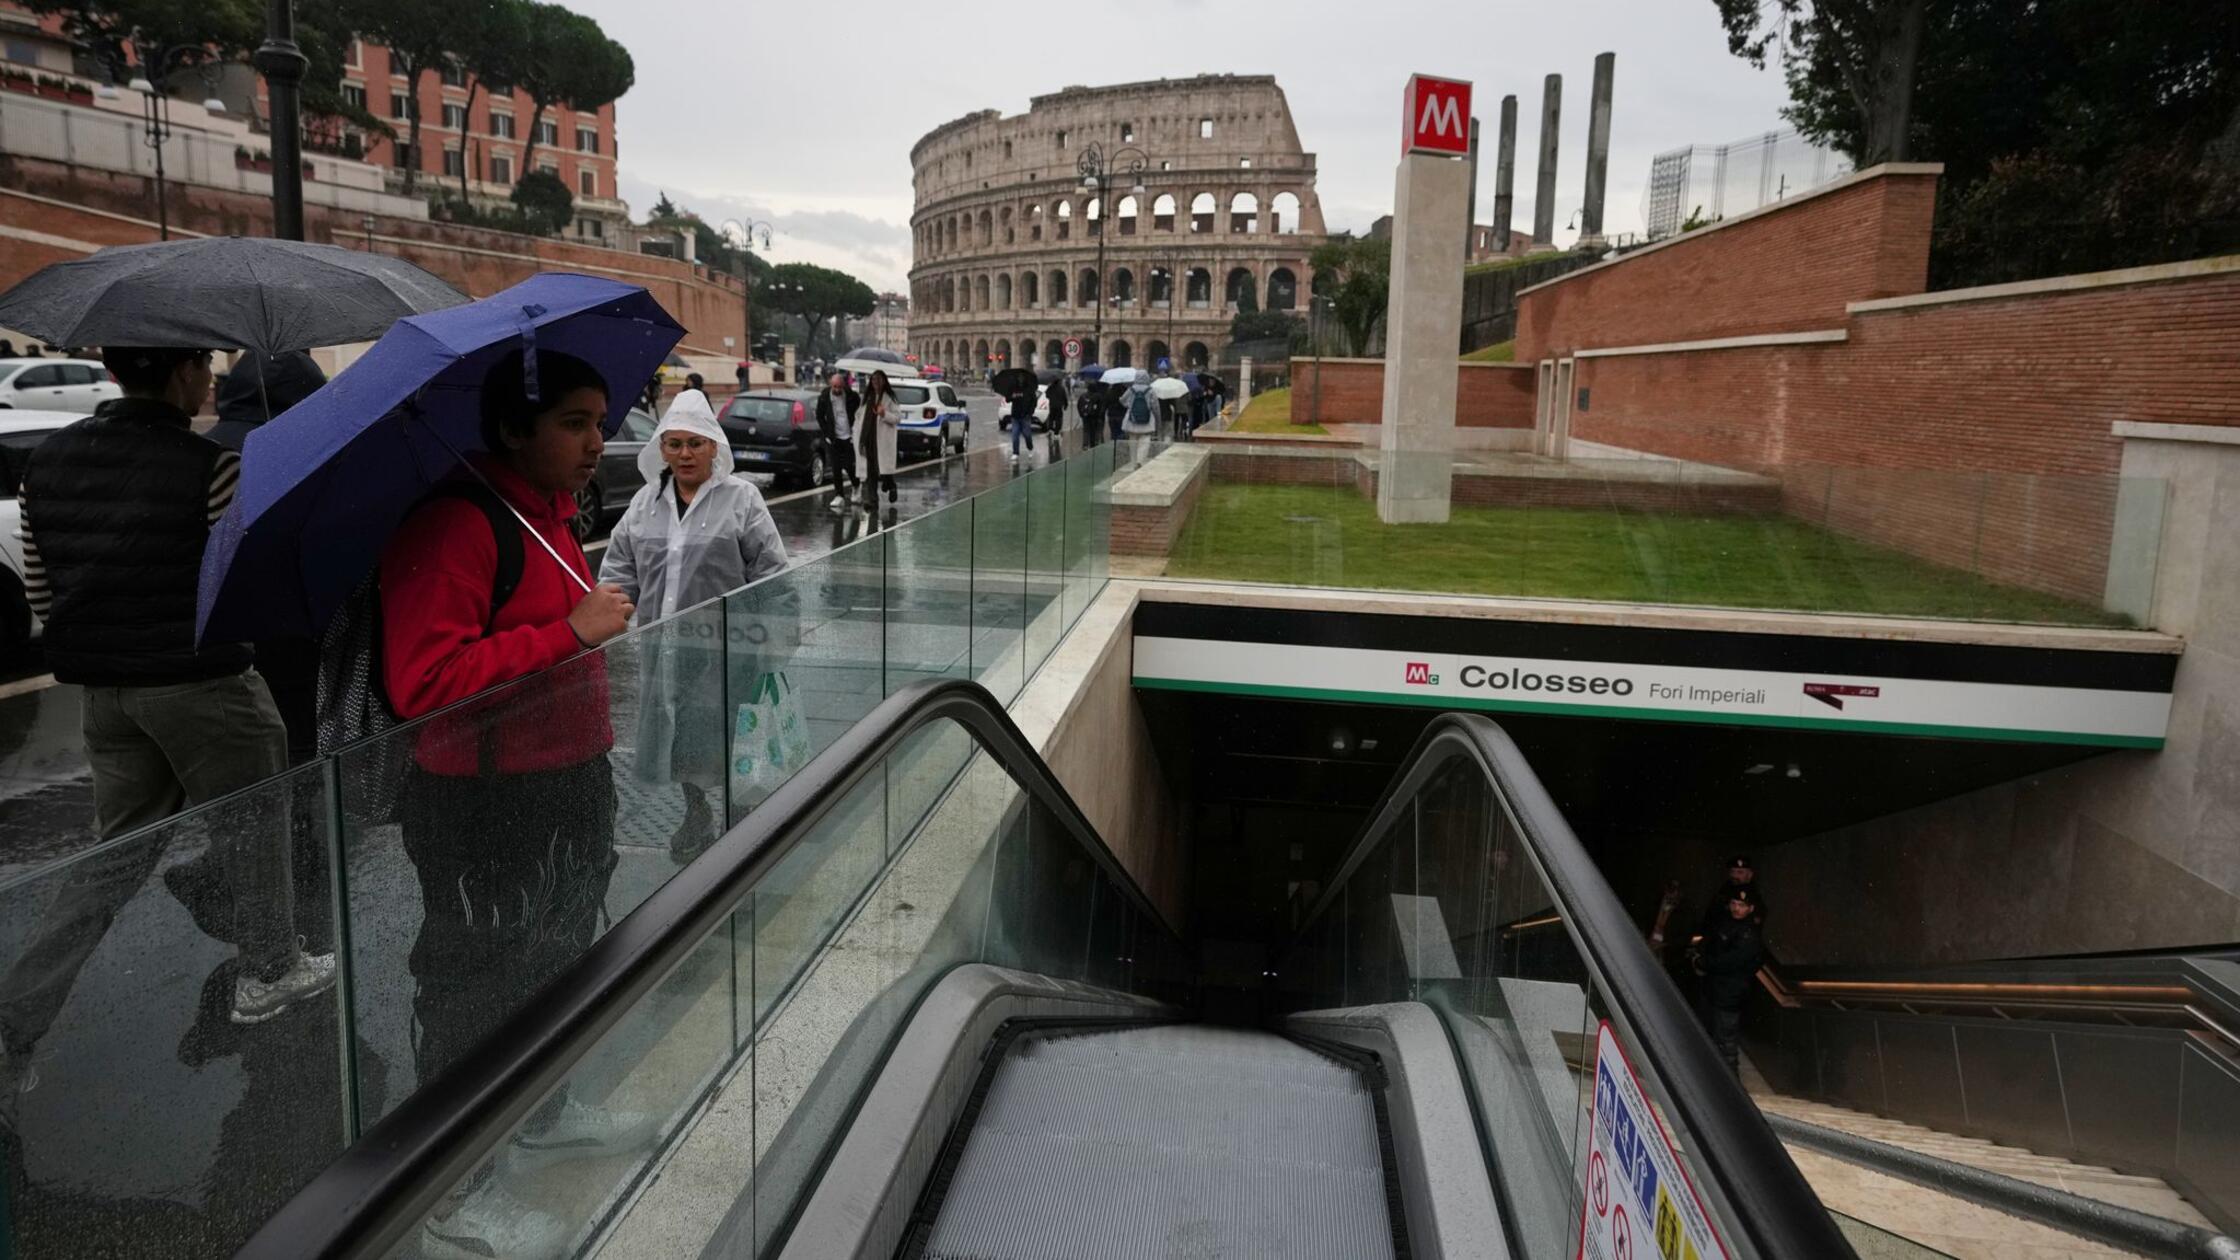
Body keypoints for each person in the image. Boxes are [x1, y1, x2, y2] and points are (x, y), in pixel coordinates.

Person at [379, 349, 652, 1252]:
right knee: (473, 990)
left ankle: (541, 1113)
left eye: (599, 421)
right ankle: (453, 1189)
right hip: (482, 805)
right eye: (573, 423)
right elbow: (425, 682)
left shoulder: (550, 521)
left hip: (569, 783)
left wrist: (575, 627)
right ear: (510, 430)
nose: (595, 442)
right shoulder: (458, 527)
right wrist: (567, 631)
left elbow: (550, 640)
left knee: (555, 962)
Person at [0, 347, 331, 1073]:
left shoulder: (46, 463)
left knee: (111, 857)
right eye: (204, 364)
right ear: (180, 373)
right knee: (253, 824)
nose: (211, 377)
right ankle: (270, 968)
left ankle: (15, 1019)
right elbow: (238, 581)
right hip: (203, 685)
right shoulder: (208, 464)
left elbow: (41, 592)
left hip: (104, 694)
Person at [599, 392, 787, 860]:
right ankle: (696, 809)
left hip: (730, 645)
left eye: (695, 444)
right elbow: (619, 569)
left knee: (729, 727)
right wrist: (614, 613)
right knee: (677, 730)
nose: (684, 454)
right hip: (664, 646)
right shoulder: (644, 505)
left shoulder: (742, 500)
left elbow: (772, 571)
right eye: (675, 444)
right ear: (661, 449)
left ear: (713, 448)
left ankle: (740, 813)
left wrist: (775, 637)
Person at [1693, 886, 1764, 1075]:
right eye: (1734, 903)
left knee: (1726, 1042)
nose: (1736, 908)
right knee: (1709, 1035)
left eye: (1742, 905)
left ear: (1750, 908)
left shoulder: (1749, 934)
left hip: (1730, 993)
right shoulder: (1725, 923)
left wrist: (1705, 962)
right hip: (1713, 989)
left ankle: (1731, 1085)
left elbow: (1731, 961)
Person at [816, 371, 862, 512]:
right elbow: (819, 415)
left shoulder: (851, 396)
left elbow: (859, 410)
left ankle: (856, 485)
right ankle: (839, 495)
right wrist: (827, 434)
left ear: (843, 386)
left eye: (839, 387)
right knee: (836, 467)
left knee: (848, 465)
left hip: (848, 436)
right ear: (831, 385)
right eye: (834, 387)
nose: (836, 390)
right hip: (833, 437)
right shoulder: (824, 396)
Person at [859, 369, 900, 511]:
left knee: (884, 471)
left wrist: (884, 414)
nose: (876, 382)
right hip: (870, 438)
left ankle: (892, 486)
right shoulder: (868, 397)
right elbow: (862, 419)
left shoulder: (890, 398)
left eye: (879, 379)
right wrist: (861, 440)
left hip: (883, 440)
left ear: (884, 381)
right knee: (871, 471)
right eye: (873, 379)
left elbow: (897, 418)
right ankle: (872, 501)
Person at [1007, 381, 1037, 464]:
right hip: (1015, 416)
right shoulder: (1014, 388)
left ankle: (1030, 448)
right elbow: (1007, 399)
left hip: (1025, 416)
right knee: (1015, 435)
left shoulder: (1029, 390)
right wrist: (1012, 396)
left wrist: (1030, 412)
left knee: (1027, 435)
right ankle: (1015, 453)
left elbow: (1034, 401)